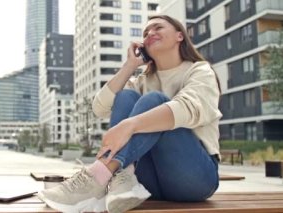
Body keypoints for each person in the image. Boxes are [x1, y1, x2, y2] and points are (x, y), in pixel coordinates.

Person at [38, 15, 222, 213]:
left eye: (158, 27)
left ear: (179, 36)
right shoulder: (141, 81)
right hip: (148, 183)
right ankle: (122, 178)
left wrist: (131, 125)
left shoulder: (199, 71)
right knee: (125, 96)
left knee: (154, 101)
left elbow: (187, 107)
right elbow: (99, 108)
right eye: (146, 33)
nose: (150, 33)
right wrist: (130, 66)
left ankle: (97, 176)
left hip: (193, 179)